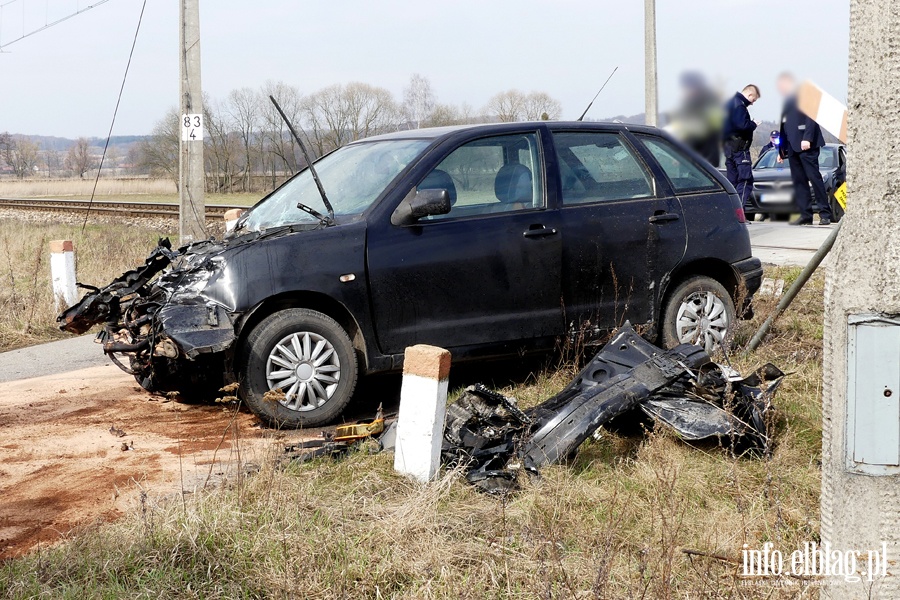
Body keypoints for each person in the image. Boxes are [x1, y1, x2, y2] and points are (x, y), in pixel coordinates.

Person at [776, 73, 832, 226]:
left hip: (806, 144)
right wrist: (781, 150)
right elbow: (785, 125)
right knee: (799, 181)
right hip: (792, 147)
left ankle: (825, 214)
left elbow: (812, 117)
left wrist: (807, 138)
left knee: (814, 179)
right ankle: (805, 215)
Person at [722, 84, 761, 210]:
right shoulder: (739, 105)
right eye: (753, 100)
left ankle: (731, 212)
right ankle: (739, 212)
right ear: (749, 95)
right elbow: (742, 126)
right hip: (740, 149)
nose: (753, 103)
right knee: (745, 181)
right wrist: (753, 124)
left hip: (729, 148)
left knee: (732, 182)